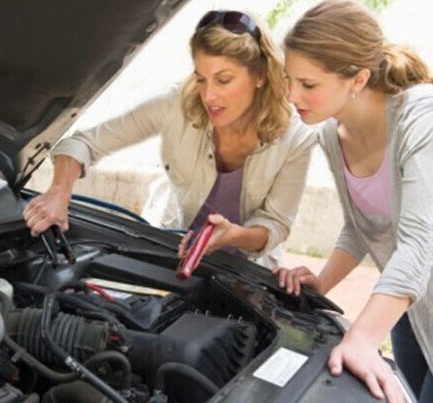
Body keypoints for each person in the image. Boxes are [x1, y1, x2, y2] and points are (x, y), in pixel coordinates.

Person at [24, 10, 315, 268]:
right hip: (171, 247)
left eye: (223, 80)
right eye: (202, 78)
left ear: (260, 76)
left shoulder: (296, 137)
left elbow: (275, 223)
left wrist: (234, 236)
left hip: (249, 268)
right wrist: (59, 192)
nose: (209, 95)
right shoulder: (176, 104)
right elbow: (83, 142)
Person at [273, 1, 433, 402]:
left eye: (308, 85)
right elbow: (361, 228)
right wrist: (320, 286)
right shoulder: (331, 133)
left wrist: (361, 339)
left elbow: (418, 243)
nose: (293, 95)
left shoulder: (421, 120)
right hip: (409, 310)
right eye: (290, 80)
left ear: (358, 79)